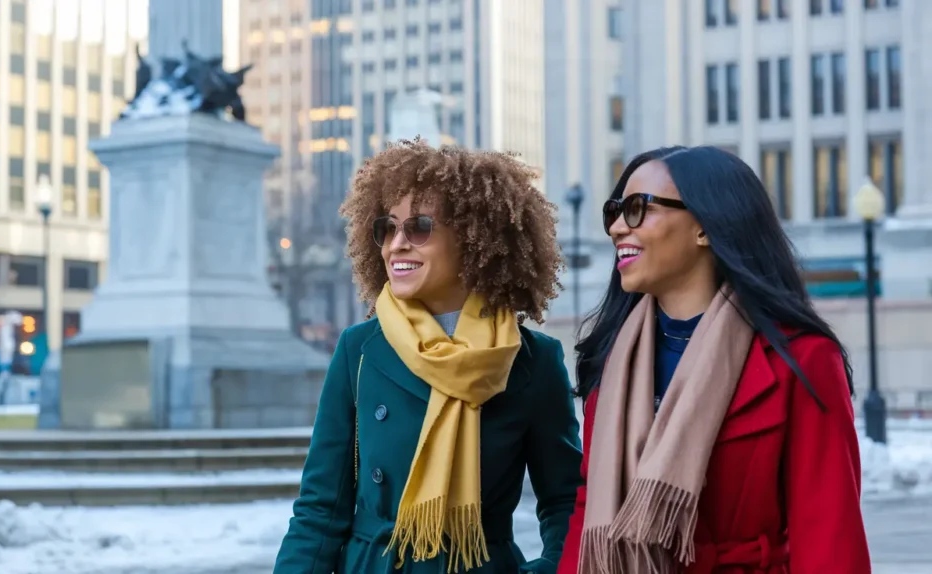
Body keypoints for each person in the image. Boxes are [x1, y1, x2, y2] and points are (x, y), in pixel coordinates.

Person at [275, 139, 584, 574]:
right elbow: (319, 508)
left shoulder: (532, 360)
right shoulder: (360, 349)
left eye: (419, 227)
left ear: (476, 239)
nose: (397, 244)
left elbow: (565, 500)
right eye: (387, 227)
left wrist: (550, 567)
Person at [557, 146, 871, 573]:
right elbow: (588, 508)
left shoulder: (801, 358)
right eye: (613, 211)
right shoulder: (614, 360)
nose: (615, 227)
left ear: (705, 226)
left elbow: (829, 533)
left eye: (636, 210)